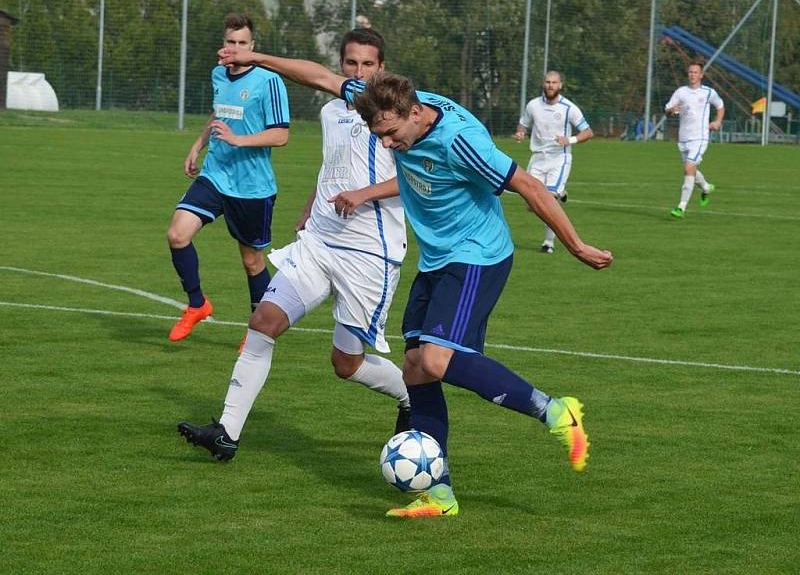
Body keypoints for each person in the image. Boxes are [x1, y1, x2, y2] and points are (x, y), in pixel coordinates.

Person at [216, 47, 613, 518]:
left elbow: (527, 185)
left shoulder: (460, 141)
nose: (385, 145)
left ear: (414, 113)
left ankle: (556, 411)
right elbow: (321, 78)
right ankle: (439, 495)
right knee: (414, 369)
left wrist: (576, 244)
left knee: (436, 360)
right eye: (377, 135)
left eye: (389, 135)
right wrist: (258, 58)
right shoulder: (387, 104)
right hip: (437, 258)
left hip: (477, 255)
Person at [178, 28, 411, 461]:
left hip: (369, 253)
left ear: (382, 69)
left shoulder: (398, 117)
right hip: (320, 242)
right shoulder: (332, 112)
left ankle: (411, 397)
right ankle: (226, 433)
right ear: (343, 64)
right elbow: (336, 166)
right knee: (263, 321)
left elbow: (415, 180)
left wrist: (362, 196)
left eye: (367, 64)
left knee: (347, 365)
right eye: (351, 63)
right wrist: (310, 207)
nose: (358, 72)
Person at [165, 13, 290, 342]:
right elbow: (218, 112)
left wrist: (238, 140)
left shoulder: (269, 81)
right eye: (230, 42)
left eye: (242, 43)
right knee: (178, 234)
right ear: (224, 44)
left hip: (252, 186)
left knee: (251, 261)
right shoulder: (218, 74)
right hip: (215, 175)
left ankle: (258, 330)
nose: (235, 48)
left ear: (252, 46)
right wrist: (197, 145)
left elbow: (280, 135)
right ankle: (197, 305)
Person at [514, 71, 593, 254]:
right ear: (544, 83)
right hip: (538, 158)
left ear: (560, 85)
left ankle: (548, 243)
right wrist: (520, 133)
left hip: (559, 158)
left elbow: (588, 132)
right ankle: (561, 192)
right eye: (548, 82)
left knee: (548, 200)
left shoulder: (568, 108)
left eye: (554, 82)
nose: (550, 85)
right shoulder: (533, 105)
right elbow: (523, 124)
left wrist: (570, 140)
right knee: (531, 204)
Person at [665, 61, 724, 218]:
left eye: (696, 72)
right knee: (691, 169)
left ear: (701, 75)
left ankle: (681, 207)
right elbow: (667, 110)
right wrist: (671, 111)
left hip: (700, 137)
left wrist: (717, 121)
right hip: (683, 138)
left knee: (688, 168)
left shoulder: (708, 92)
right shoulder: (681, 92)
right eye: (690, 72)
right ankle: (705, 187)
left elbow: (720, 105)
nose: (692, 75)